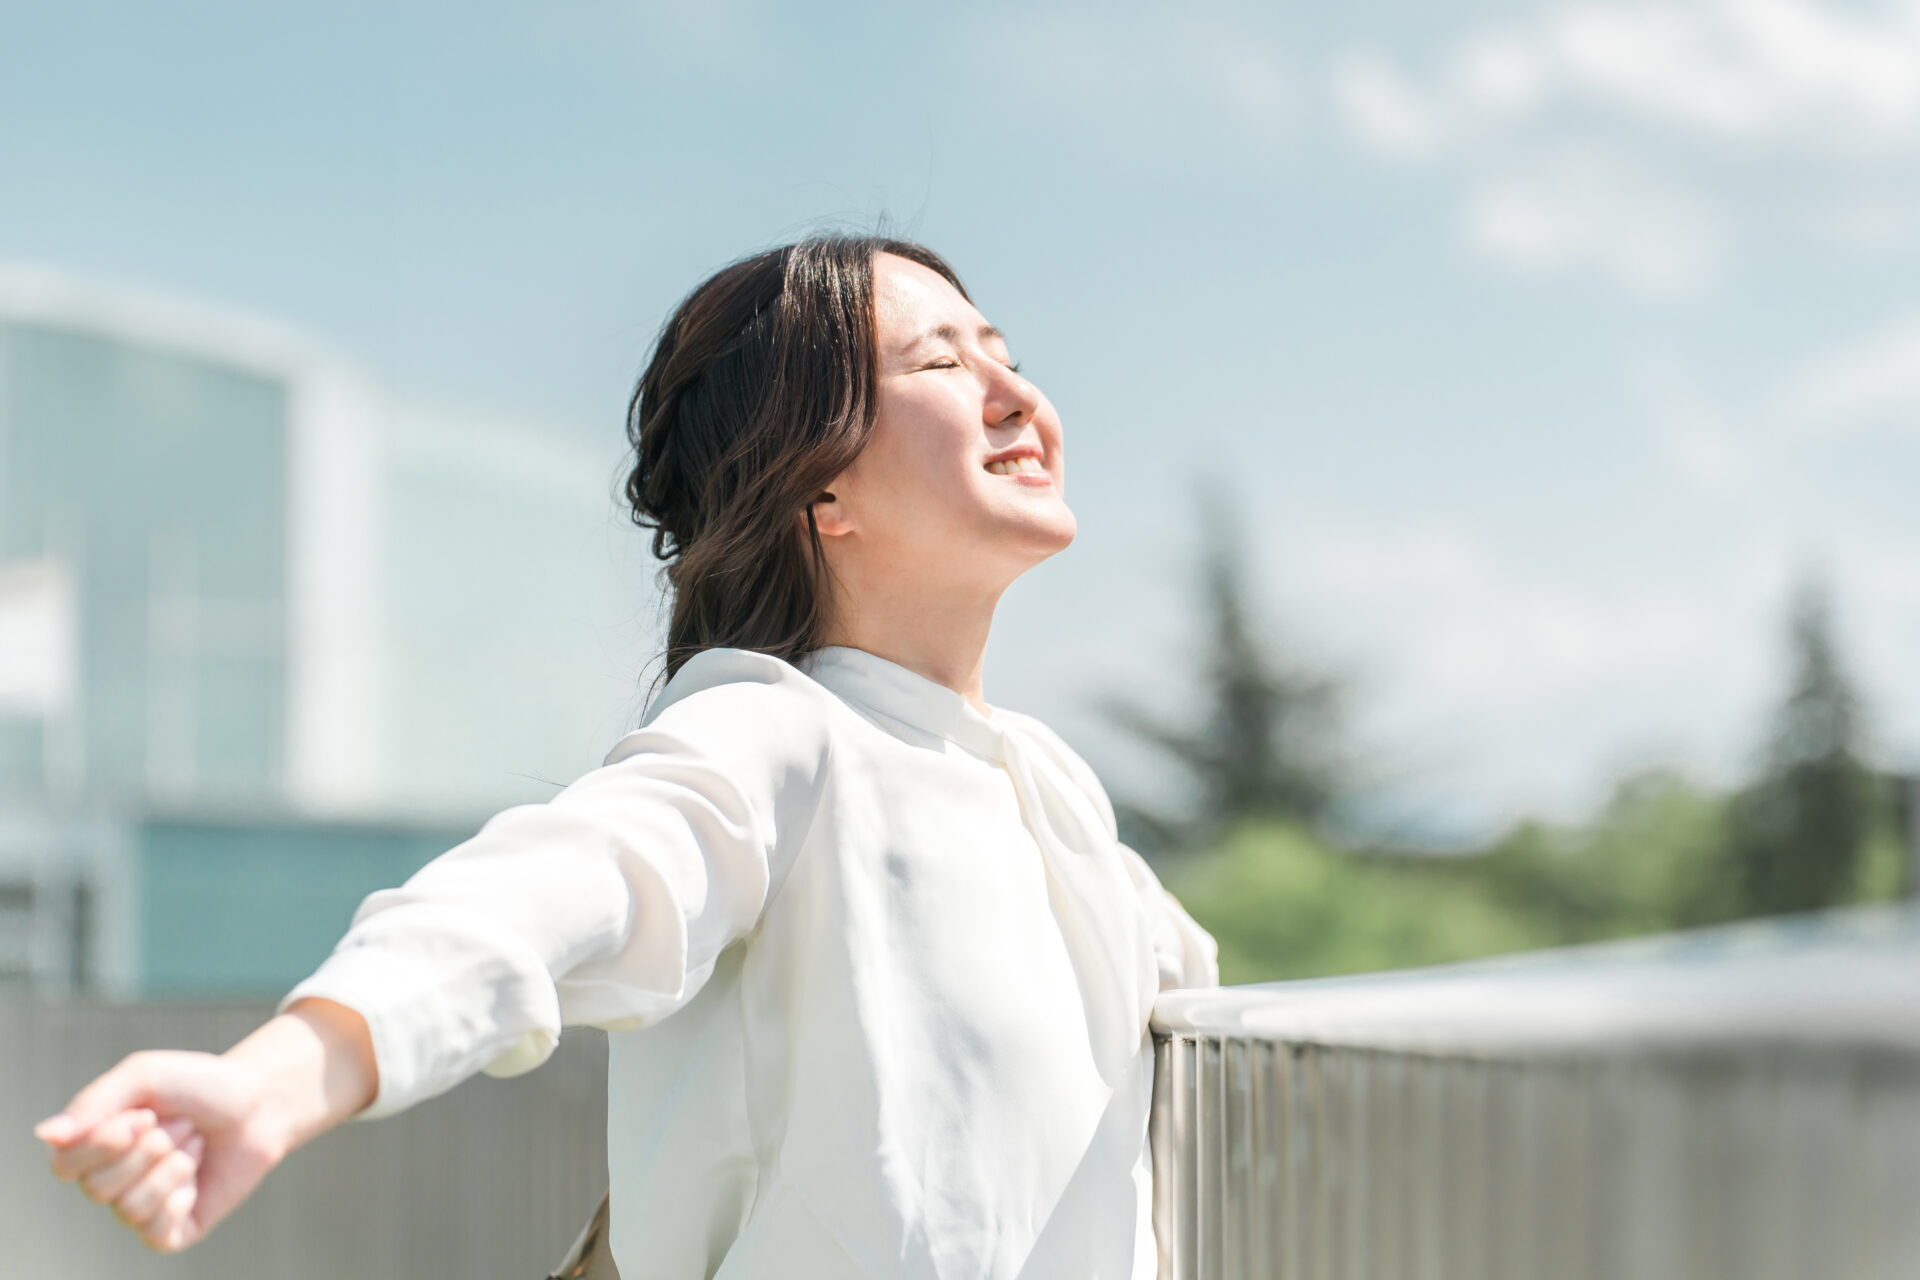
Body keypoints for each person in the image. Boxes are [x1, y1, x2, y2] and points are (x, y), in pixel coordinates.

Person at [34, 234, 1219, 1277]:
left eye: (1004, 348)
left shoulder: (1050, 787)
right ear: (821, 491)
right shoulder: (777, 734)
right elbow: (556, 886)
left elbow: (1199, 1000)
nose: (1014, 391)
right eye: (943, 363)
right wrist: (276, 1081)